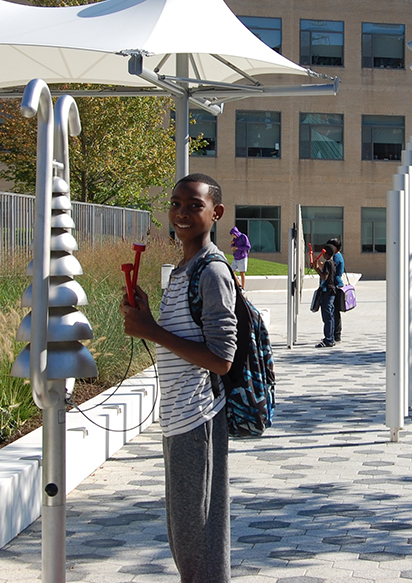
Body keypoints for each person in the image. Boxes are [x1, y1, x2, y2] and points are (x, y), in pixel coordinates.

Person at [121, 173, 236, 583]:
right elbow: (180, 339)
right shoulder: (183, 270)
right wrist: (147, 316)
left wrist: (150, 330)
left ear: (216, 213)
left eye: (194, 205)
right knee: (185, 538)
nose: (181, 214)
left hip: (199, 417)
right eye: (175, 204)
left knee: (198, 540)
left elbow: (222, 359)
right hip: (178, 418)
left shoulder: (212, 272)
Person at [315, 243, 338, 348]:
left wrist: (317, 270)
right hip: (331, 291)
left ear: (326, 253)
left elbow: (325, 277)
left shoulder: (328, 263)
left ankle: (328, 339)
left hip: (327, 292)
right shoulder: (332, 262)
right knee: (330, 316)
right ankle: (330, 338)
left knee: (327, 316)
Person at [326, 237, 345, 343]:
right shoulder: (337, 256)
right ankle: (336, 334)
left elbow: (331, 272)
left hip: (335, 285)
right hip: (336, 284)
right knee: (335, 311)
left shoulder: (336, 257)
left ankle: (335, 334)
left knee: (333, 311)